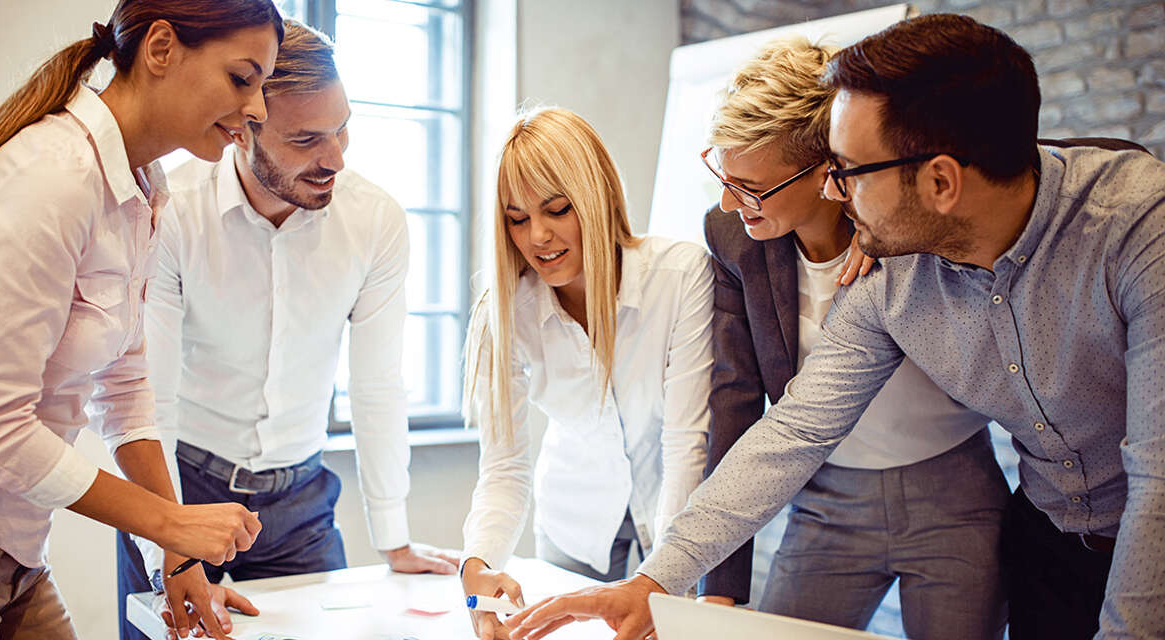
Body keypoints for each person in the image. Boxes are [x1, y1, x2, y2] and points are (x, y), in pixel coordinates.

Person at [502, 14, 1165, 640]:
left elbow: (1159, 477)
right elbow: (794, 427)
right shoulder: (891, 279)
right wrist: (657, 577)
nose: (834, 193)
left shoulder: (1132, 225)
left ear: (940, 183)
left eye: (847, 172)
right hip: (1044, 533)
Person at [0, 2, 285, 639]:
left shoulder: (143, 187)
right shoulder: (55, 178)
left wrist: (173, 556)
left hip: (13, 550)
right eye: (243, 78)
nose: (259, 109)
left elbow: (125, 393)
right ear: (160, 48)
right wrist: (167, 523)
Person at [114, 19, 461, 640]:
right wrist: (171, 544)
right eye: (305, 140)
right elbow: (147, 399)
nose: (335, 159)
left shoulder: (374, 221)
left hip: (301, 505)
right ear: (240, 129)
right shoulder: (173, 213)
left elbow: (378, 384)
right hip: (180, 487)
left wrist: (394, 535)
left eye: (342, 128)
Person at [698, 38, 1007, 637]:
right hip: (824, 500)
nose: (729, 201)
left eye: (752, 186)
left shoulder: (911, 221)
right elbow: (734, 399)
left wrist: (887, 235)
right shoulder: (733, 236)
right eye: (723, 174)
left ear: (828, 172)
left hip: (956, 494)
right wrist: (722, 586)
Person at [459, 106, 751, 640]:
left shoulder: (680, 275)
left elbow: (685, 442)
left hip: (676, 532)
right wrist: (475, 568)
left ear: (595, 196)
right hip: (572, 538)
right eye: (517, 219)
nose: (539, 237)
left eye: (557, 209)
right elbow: (503, 470)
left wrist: (665, 584)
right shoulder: (504, 310)